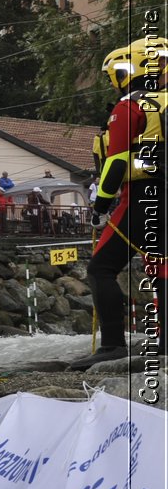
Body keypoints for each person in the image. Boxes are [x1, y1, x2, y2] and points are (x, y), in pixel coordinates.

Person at [71, 35, 168, 369]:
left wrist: (100, 206)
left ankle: (113, 345)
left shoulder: (131, 105)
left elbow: (116, 162)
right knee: (161, 269)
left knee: (101, 268)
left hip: (141, 199)